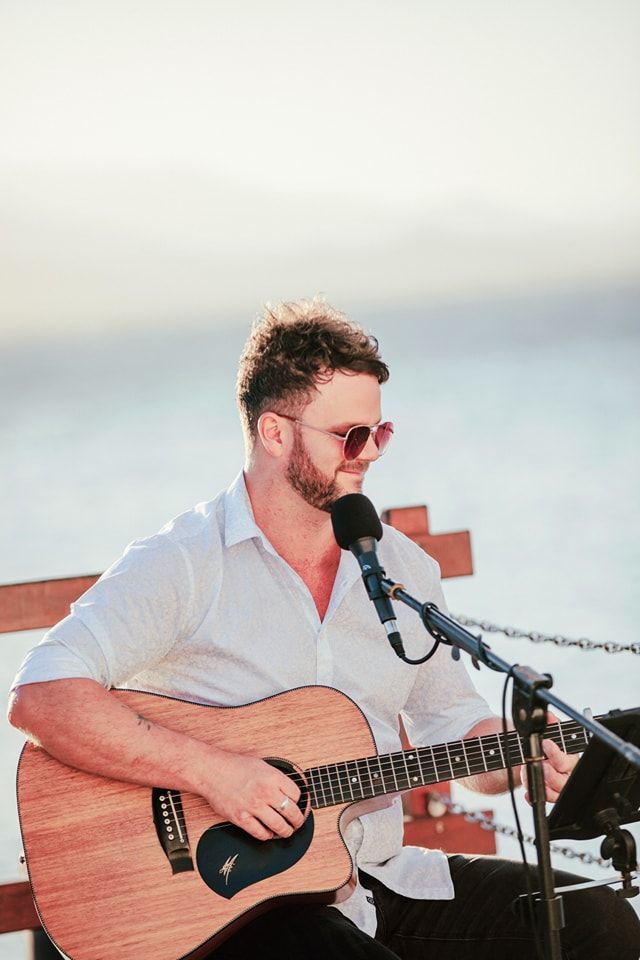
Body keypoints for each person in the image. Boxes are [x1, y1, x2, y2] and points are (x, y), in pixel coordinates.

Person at [8, 298, 639, 959]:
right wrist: (216, 773)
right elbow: (41, 695)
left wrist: (519, 753)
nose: (368, 455)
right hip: (234, 908)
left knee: (601, 924)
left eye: (379, 432)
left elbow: (453, 728)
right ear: (274, 433)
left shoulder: (400, 568)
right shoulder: (184, 562)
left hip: (376, 879)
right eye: (349, 436)